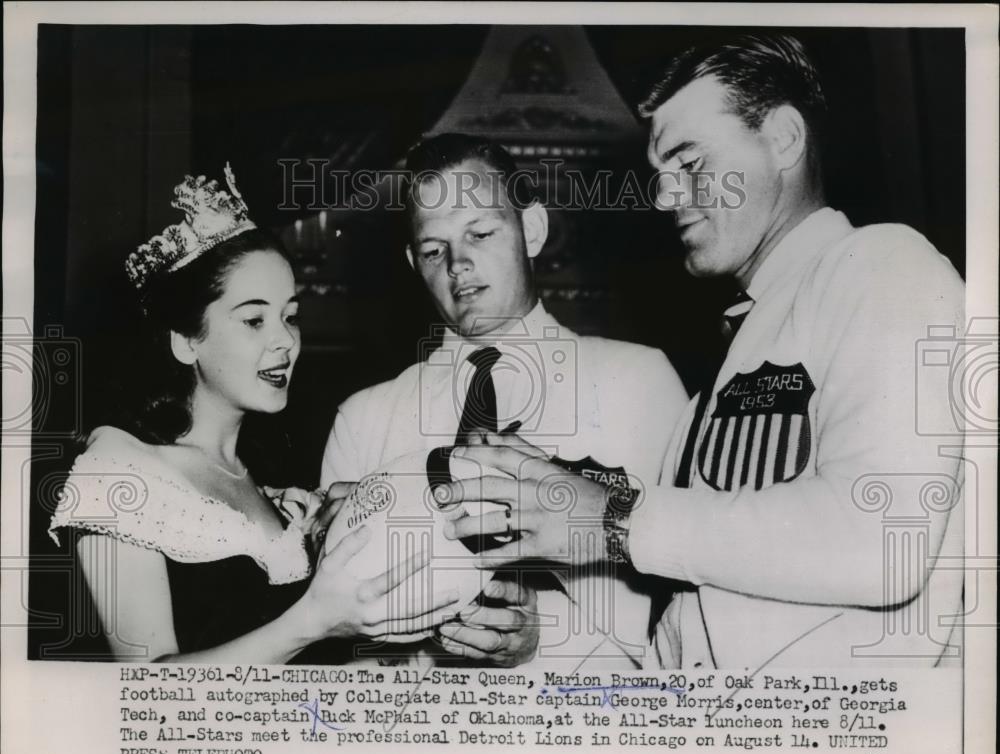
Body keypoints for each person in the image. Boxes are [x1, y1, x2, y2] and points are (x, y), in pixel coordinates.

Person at [441, 34, 965, 668]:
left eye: (690, 164)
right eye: (660, 176)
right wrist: (562, 493)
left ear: (783, 139)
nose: (664, 197)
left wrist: (613, 516)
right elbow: (690, 618)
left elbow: (886, 541)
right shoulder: (726, 363)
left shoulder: (882, 267)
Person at [49, 165, 461, 662]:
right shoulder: (116, 469)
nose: (285, 340)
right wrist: (313, 620)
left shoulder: (272, 485)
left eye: (290, 316)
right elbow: (143, 691)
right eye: (254, 319)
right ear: (185, 341)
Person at [321, 134, 687, 668]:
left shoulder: (639, 381)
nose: (457, 264)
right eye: (433, 249)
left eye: (481, 232)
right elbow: (341, 646)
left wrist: (546, 636)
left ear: (531, 230)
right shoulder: (363, 419)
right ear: (411, 261)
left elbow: (686, 606)